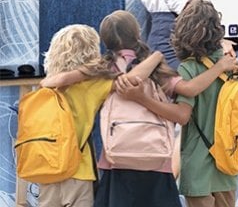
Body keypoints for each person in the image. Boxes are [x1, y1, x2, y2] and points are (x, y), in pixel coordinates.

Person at [42, 11, 238, 207]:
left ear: (105, 41)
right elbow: (183, 109)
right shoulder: (158, 69)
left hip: (116, 162)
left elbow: (61, 79)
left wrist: (46, 83)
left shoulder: (102, 70)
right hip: (157, 163)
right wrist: (217, 66)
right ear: (137, 34)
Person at [116, 0, 238, 207]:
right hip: (226, 159)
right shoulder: (230, 62)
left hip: (198, 163)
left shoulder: (189, 68)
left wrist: (142, 98)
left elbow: (182, 115)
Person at [37, 24, 164, 207]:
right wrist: (156, 57)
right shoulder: (91, 85)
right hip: (78, 171)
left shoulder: (45, 87)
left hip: (46, 170)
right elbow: (131, 80)